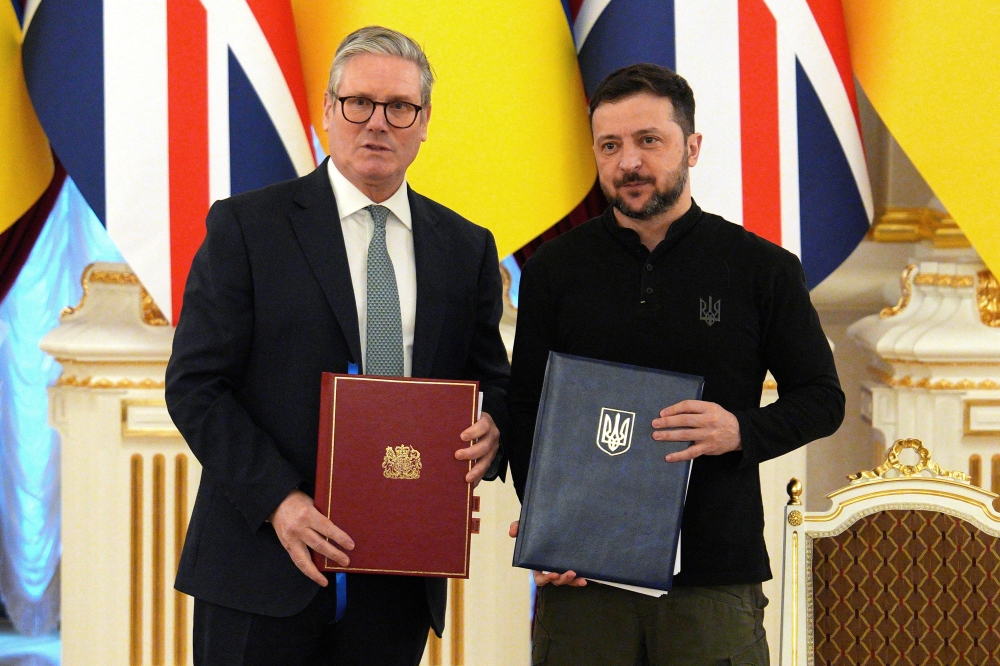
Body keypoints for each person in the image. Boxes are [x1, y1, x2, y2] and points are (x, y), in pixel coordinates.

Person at [165, 26, 509, 666]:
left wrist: (495, 430)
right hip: (261, 565)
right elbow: (195, 385)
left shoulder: (466, 248)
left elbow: (493, 383)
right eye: (359, 103)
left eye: (400, 107)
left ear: (425, 122)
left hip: (397, 582)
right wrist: (280, 501)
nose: (378, 122)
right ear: (328, 111)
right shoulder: (246, 226)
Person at [506, 63, 845, 666]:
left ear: (691, 147)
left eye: (648, 141)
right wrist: (544, 531)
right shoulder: (553, 271)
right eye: (610, 145)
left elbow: (822, 398)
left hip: (713, 584)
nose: (628, 162)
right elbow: (527, 411)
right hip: (583, 584)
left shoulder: (761, 269)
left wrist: (740, 430)